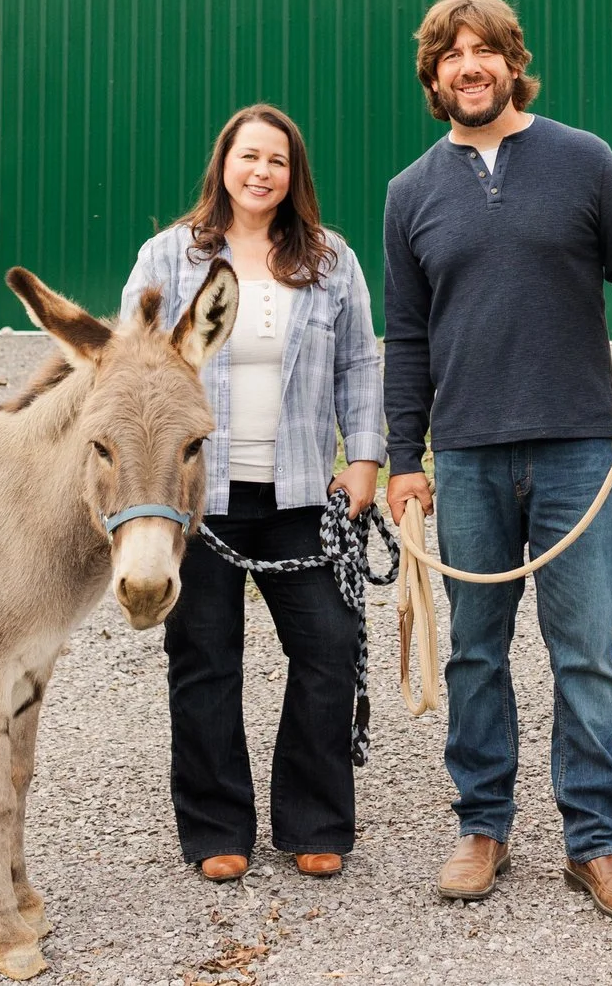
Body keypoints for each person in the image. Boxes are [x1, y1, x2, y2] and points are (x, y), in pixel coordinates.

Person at [381, 0, 612, 925]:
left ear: (512, 64)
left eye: (486, 51)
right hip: (472, 459)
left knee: (586, 655)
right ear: (434, 76)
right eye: (452, 55)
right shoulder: (412, 193)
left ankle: (595, 842)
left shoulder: (583, 160)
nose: (469, 67)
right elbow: (406, 339)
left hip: (575, 450)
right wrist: (407, 457)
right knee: (475, 655)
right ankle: (483, 827)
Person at [122, 104, 384, 883]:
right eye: (249, 156)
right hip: (198, 502)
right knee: (204, 659)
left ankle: (314, 821)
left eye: (277, 159)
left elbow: (361, 367)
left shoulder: (331, 261)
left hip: (303, 492)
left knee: (328, 653)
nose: (261, 170)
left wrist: (364, 459)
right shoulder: (169, 256)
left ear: (292, 173)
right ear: (224, 164)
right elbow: (130, 368)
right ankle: (215, 827)